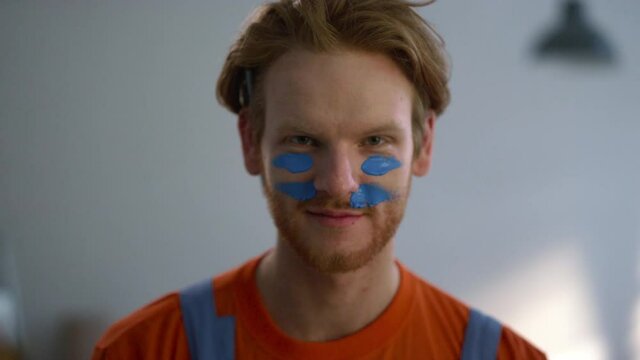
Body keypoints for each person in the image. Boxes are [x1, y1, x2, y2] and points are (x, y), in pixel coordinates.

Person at [92, 1, 546, 359]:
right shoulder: (144, 351)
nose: (339, 184)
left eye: (374, 140)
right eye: (304, 139)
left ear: (423, 146)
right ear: (252, 142)